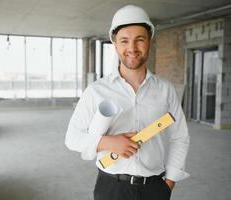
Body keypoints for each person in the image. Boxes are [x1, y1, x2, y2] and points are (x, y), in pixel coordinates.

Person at [65, 4, 190, 200]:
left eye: (139, 40)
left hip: (155, 188)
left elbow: (179, 137)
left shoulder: (165, 90)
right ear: (115, 44)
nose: (132, 48)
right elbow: (72, 138)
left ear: (149, 41)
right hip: (111, 188)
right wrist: (107, 142)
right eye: (124, 41)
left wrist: (170, 181)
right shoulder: (96, 91)